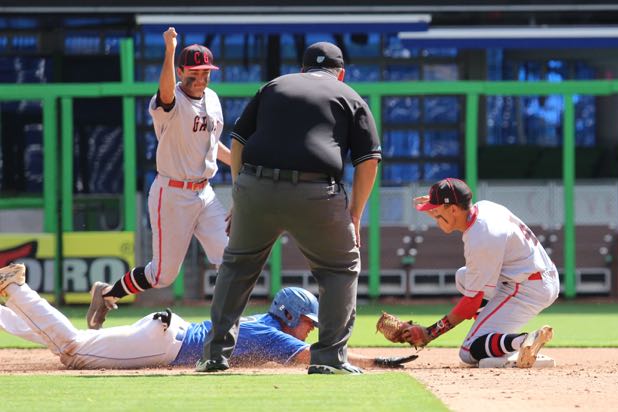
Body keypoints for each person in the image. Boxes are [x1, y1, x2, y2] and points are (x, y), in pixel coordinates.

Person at [196, 42, 381, 375]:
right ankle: (329, 359)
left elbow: (238, 141)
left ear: (302, 70)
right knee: (339, 269)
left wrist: (240, 194)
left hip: (256, 188)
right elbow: (368, 161)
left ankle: (214, 355)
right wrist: (354, 214)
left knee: (237, 268)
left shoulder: (274, 86)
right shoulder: (349, 95)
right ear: (340, 73)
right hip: (316, 192)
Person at [0, 264, 416, 370]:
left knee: (74, 340)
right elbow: (321, 359)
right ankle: (15, 287)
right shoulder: (273, 335)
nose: (309, 328)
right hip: (164, 343)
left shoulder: (266, 326)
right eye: (306, 320)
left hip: (163, 333)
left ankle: (7, 305)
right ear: (288, 314)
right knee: (72, 350)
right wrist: (377, 361)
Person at [86, 27, 230, 330]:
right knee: (163, 276)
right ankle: (107, 293)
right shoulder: (171, 99)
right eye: (194, 71)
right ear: (180, 71)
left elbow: (213, 146)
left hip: (205, 193)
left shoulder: (213, 99)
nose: (201, 77)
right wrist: (169, 50)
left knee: (230, 256)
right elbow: (165, 93)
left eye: (206, 71)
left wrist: (241, 161)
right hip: (172, 194)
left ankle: (229, 326)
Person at [405, 178, 560, 368]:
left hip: (528, 288)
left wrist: (430, 333)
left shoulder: (481, 238)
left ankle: (522, 342)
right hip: (537, 276)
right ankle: (493, 337)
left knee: (469, 351)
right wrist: (438, 207)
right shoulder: (484, 209)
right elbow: (455, 215)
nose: (434, 215)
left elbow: (471, 303)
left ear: (453, 209)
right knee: (464, 277)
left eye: (437, 210)